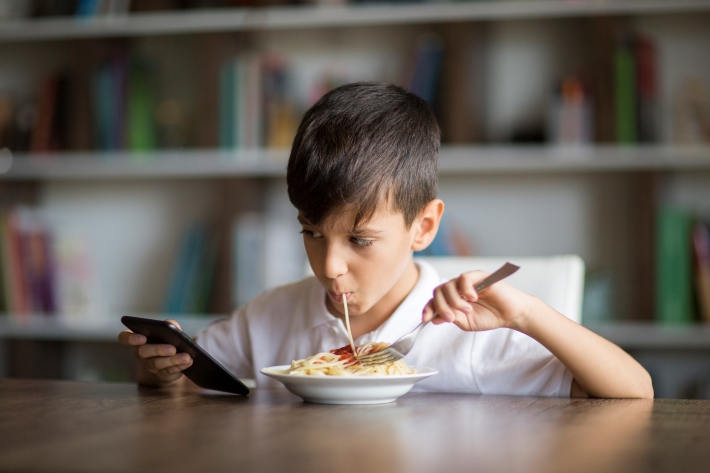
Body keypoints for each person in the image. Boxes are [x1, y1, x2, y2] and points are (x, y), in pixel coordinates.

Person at [118, 82, 653, 398]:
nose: (329, 266)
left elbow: (635, 392)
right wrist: (160, 371)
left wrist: (529, 315)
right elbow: (190, 380)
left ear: (423, 226)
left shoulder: (466, 334)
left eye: (359, 239)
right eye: (311, 232)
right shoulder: (273, 318)